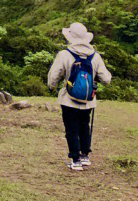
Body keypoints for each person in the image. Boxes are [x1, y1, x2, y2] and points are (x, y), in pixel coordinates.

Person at [47, 22, 112, 171]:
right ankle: (85, 156)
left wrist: (52, 87)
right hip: (88, 100)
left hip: (68, 99)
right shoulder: (95, 57)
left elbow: (53, 77)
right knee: (84, 126)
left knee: (71, 128)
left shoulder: (64, 55)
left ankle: (75, 159)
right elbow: (106, 79)